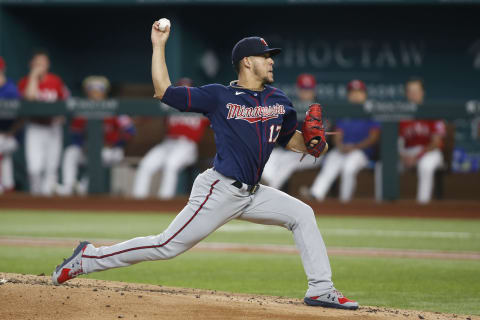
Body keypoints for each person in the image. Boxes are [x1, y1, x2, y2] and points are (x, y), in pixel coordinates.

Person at [51, 21, 358, 311]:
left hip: (253, 193)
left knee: (302, 214)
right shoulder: (218, 96)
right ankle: (88, 258)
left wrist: (317, 144)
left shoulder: (279, 99)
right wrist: (159, 46)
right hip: (220, 189)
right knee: (167, 245)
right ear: (247, 62)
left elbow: (295, 141)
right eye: (266, 57)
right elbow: (164, 92)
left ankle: (320, 288)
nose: (271, 62)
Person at [56, 76, 135, 196]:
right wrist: (83, 146)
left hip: (112, 151)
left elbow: (130, 131)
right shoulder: (82, 111)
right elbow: (75, 134)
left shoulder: (113, 108)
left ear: (104, 93)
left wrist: (114, 143)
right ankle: (68, 186)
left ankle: (83, 186)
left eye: (98, 91)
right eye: (92, 91)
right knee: (71, 152)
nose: (95, 94)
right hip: (88, 150)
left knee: (100, 155)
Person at [132, 77, 209, 199]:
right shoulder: (170, 105)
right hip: (168, 143)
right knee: (146, 164)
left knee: (171, 165)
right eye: (182, 89)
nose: (185, 91)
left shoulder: (202, 106)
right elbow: (147, 115)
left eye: (188, 89)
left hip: (187, 145)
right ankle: (137, 201)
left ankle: (165, 201)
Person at [308, 80, 380, 202]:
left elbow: (374, 137)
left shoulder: (370, 111)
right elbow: (337, 134)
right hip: (343, 149)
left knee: (349, 167)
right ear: (348, 95)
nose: (356, 95)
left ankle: (345, 202)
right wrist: (340, 146)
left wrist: (355, 147)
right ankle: (316, 195)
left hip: (361, 152)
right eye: (353, 92)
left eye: (359, 92)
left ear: (365, 95)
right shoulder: (345, 111)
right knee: (331, 160)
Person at [18, 50, 69, 196]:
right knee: (34, 168)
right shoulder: (25, 81)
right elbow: (29, 98)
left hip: (53, 127)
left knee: (51, 167)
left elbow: (64, 102)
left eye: (43, 63)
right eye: (37, 62)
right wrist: (33, 77)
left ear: (48, 65)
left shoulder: (55, 81)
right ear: (31, 64)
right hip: (35, 126)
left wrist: (61, 115)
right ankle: (36, 197)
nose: (40, 66)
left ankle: (48, 201)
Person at [262, 73, 322, 190]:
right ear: (298, 90)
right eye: (303, 89)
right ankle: (267, 185)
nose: (306, 93)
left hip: (311, 154)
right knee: (270, 156)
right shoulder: (291, 107)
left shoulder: (320, 108)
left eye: (309, 90)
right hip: (290, 151)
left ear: (314, 90)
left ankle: (269, 190)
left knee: (287, 162)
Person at [399, 77, 446, 204]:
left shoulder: (432, 111)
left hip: (430, 152)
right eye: (410, 91)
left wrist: (418, 156)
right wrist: (402, 156)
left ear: (422, 92)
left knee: (425, 166)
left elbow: (437, 142)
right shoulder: (400, 114)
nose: (413, 94)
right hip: (408, 152)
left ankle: (422, 206)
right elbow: (396, 141)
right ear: (406, 94)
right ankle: (384, 206)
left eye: (416, 91)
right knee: (383, 166)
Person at [0, 57, 22, 194]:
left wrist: (12, 131)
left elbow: (23, 116)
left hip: (11, 136)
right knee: (4, 156)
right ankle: (8, 186)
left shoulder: (11, 90)